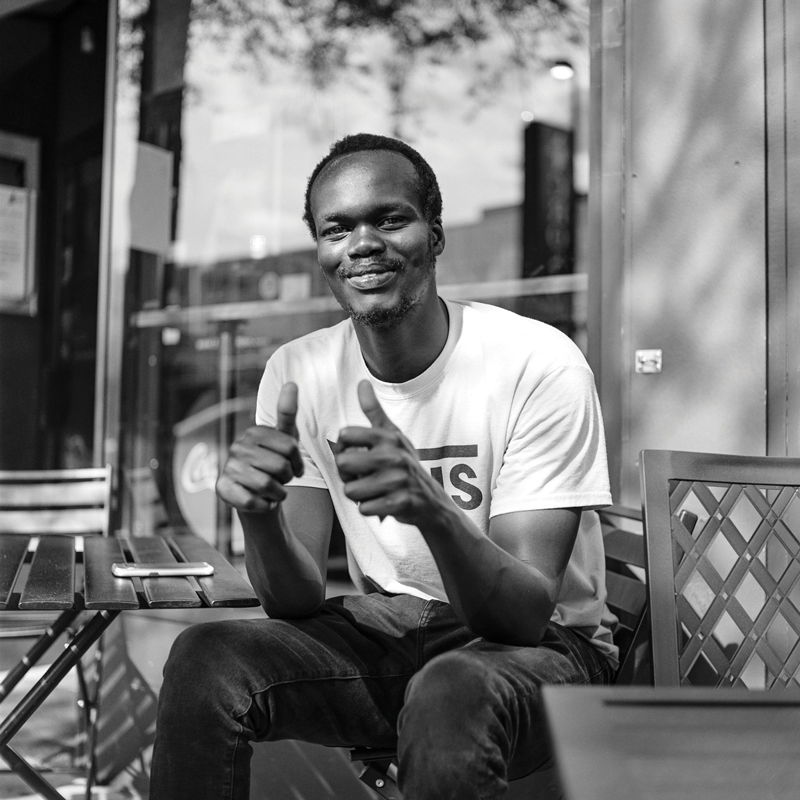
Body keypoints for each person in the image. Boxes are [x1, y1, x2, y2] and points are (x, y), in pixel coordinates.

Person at [150, 133, 616, 800]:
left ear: (435, 235)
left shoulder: (535, 361)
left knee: (451, 687)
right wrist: (256, 518)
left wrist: (430, 508)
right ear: (320, 252)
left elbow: (523, 614)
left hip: (546, 650)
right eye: (337, 228)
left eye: (389, 218)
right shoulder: (300, 371)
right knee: (207, 656)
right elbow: (296, 599)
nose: (362, 243)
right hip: (391, 632)